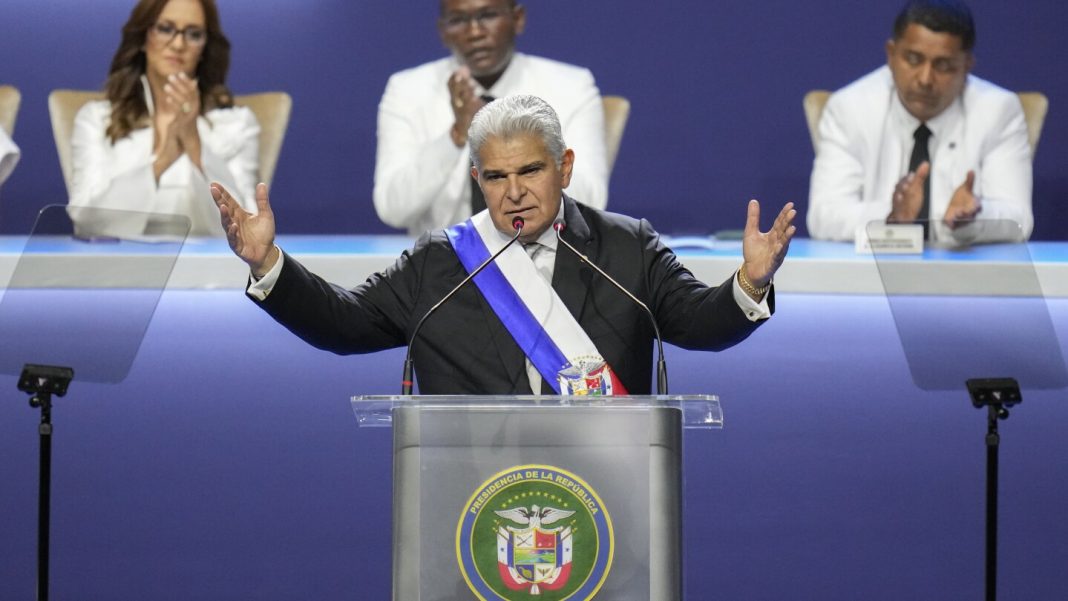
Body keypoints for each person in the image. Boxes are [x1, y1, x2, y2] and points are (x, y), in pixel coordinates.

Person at [212, 95, 796, 395]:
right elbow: (346, 325)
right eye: (495, 177)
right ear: (477, 181)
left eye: (530, 172)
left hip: (604, 495)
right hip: (472, 495)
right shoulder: (439, 261)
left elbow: (698, 324)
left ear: (564, 168)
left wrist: (749, 284)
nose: (513, 193)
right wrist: (268, 264)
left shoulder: (627, 249)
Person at [373, 0, 609, 237]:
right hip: (441, 261)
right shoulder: (406, 90)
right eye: (458, 20)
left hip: (543, 256)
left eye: (488, 15)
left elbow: (590, 200)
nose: (474, 32)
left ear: (517, 19)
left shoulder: (571, 86)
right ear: (442, 31)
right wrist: (456, 135)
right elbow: (393, 209)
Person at [807, 0, 1032, 244]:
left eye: (943, 65)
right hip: (871, 276)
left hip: (967, 277)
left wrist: (973, 216)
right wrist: (891, 218)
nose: (925, 79)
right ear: (891, 55)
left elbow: (1019, 219)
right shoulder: (850, 109)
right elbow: (824, 215)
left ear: (966, 66)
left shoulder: (998, 111)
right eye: (913, 59)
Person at [69, 0, 259, 237]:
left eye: (193, 34)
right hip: (120, 267)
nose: (178, 43)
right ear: (142, 38)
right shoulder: (97, 119)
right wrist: (162, 161)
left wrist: (194, 144)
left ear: (205, 47)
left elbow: (246, 228)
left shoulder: (236, 124)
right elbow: (86, 222)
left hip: (208, 267)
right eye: (166, 29)